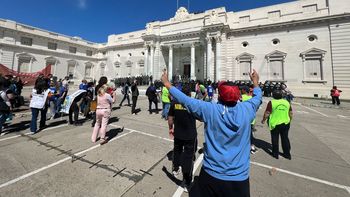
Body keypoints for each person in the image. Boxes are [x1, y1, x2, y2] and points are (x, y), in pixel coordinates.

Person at [161, 69, 262, 196]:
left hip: (212, 173)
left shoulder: (210, 110)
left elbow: (186, 100)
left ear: (219, 96)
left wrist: (167, 84)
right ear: (238, 97)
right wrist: (256, 83)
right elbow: (258, 97)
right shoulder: (247, 109)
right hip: (238, 177)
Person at [168, 83, 198, 192]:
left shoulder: (174, 103)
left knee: (177, 151)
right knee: (188, 158)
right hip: (190, 135)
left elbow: (170, 118)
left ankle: (176, 168)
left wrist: (171, 128)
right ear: (190, 93)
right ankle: (187, 181)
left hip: (178, 133)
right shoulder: (193, 103)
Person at [261, 89, 293, 160]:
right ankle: (287, 154)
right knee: (285, 138)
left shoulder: (272, 102)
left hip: (275, 124)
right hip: (286, 123)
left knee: (275, 139)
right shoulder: (286, 102)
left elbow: (267, 113)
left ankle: (275, 154)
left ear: (273, 95)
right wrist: (290, 119)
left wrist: (263, 120)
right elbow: (290, 113)